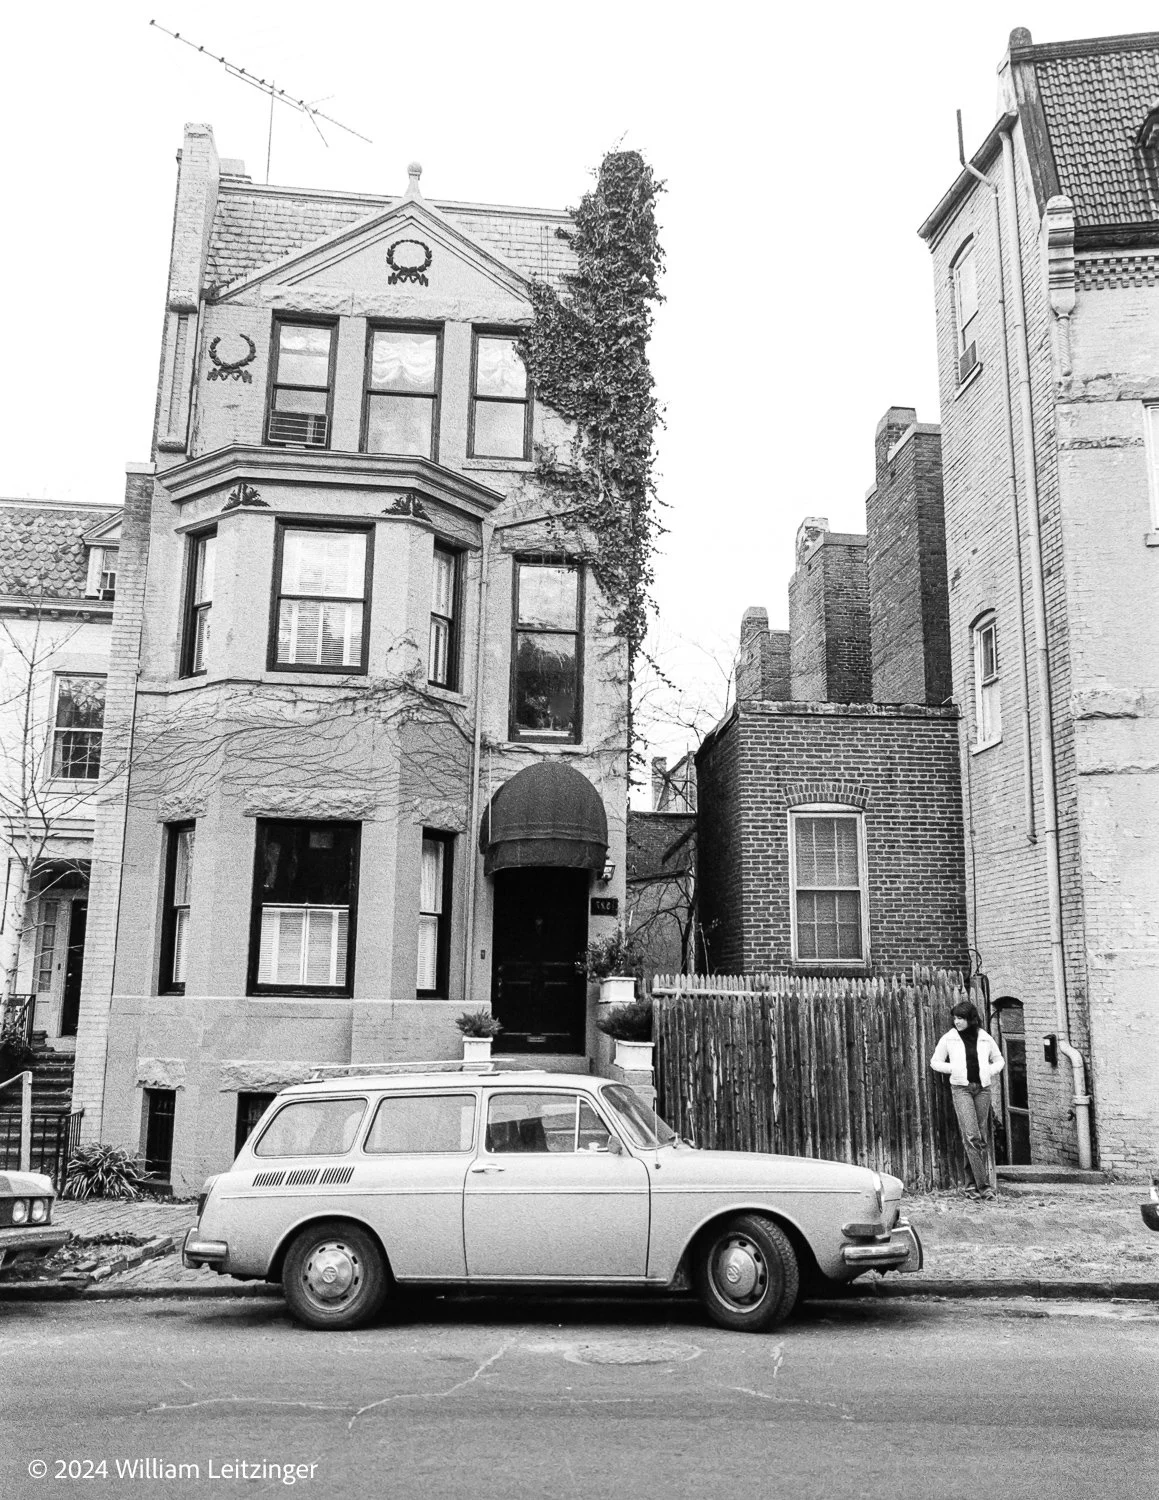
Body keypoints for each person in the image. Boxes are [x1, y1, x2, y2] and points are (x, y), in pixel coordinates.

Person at [930, 1000, 1005, 1198]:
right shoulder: (949, 1038)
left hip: (982, 1090)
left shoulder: (984, 1038)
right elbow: (935, 1062)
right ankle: (984, 1187)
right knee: (972, 1136)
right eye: (955, 1018)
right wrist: (953, 1069)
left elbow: (1000, 1060)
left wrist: (989, 1071)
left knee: (977, 1137)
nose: (957, 1022)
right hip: (961, 1089)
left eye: (961, 1018)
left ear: (971, 1019)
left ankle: (971, 1185)